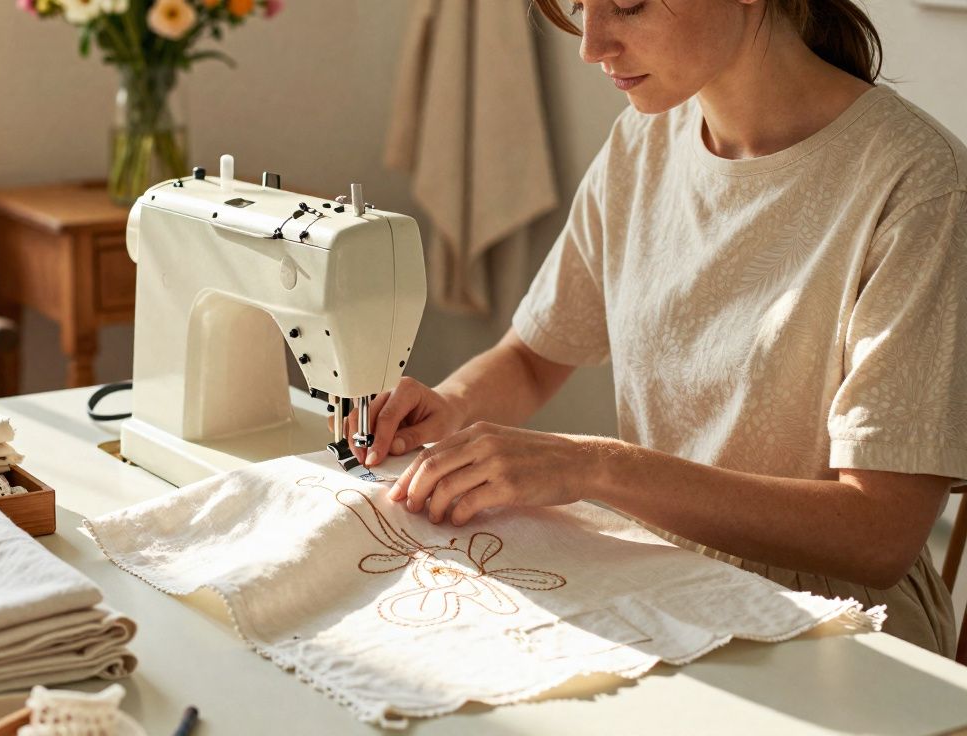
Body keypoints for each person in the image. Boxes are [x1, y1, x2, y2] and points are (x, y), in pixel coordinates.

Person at [348, 0, 967, 656]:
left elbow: (877, 535)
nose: (591, 45)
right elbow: (533, 357)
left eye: (628, 5)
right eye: (581, 5)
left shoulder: (921, 191)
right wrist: (450, 406)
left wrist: (598, 467)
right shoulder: (643, 141)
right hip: (667, 587)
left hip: (844, 637)